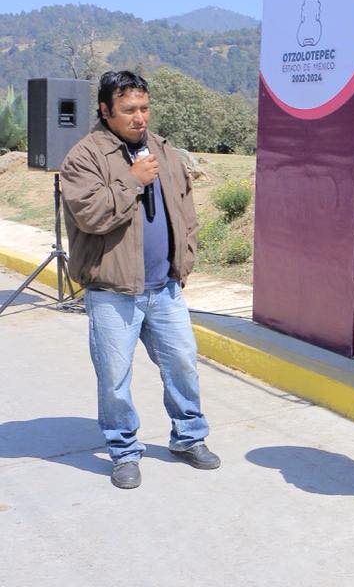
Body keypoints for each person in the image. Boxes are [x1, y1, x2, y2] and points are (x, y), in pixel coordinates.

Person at [60, 70, 219, 489]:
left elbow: (185, 211)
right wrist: (132, 180)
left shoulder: (164, 152)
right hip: (113, 292)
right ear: (105, 111)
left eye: (144, 108)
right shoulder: (84, 157)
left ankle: (188, 437)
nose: (139, 118)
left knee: (183, 364)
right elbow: (91, 215)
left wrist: (183, 259)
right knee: (114, 378)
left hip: (164, 288)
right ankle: (124, 451)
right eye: (128, 110)